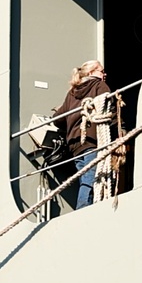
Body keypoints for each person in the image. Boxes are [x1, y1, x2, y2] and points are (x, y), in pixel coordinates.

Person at [51, 60, 112, 210]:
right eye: (101, 71)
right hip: (92, 139)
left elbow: (58, 120)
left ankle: (84, 206)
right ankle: (84, 208)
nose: (104, 74)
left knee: (85, 177)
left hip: (75, 143)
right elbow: (108, 107)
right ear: (92, 73)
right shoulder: (99, 85)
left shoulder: (72, 92)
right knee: (91, 177)